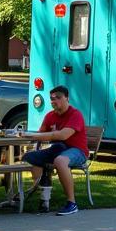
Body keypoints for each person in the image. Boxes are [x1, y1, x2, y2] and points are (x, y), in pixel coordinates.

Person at [21, 85, 88, 216]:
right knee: (31, 157)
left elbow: (63, 135)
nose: (54, 101)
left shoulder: (75, 114)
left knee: (60, 161)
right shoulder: (50, 116)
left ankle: (72, 203)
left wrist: (32, 135)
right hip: (57, 149)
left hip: (77, 151)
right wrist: (23, 134)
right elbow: (41, 135)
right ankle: (43, 198)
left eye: (58, 97)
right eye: (51, 98)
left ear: (67, 98)